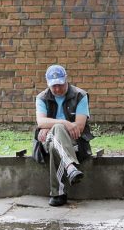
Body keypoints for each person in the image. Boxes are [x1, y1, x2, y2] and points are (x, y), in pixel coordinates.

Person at [32, 64, 93, 207]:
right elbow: (41, 121)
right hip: (45, 140)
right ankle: (70, 167)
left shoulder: (80, 96)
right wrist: (65, 123)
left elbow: (79, 127)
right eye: (54, 86)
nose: (57, 89)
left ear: (66, 80)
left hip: (74, 142)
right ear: (48, 84)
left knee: (55, 144)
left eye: (60, 85)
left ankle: (58, 194)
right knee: (58, 128)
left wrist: (50, 126)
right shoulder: (41, 97)